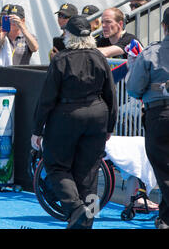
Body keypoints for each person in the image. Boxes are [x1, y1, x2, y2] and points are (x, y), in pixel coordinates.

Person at [31, 15, 117, 229]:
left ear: (69, 35)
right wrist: (110, 127)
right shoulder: (99, 57)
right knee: (90, 171)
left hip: (67, 116)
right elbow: (111, 94)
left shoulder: (61, 59)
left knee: (57, 165)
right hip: (98, 115)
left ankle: (77, 210)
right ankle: (88, 220)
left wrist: (37, 129)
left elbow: (46, 99)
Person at [126, 7, 169, 229]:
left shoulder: (151, 53)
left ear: (164, 26)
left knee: (163, 169)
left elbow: (133, 90)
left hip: (159, 116)